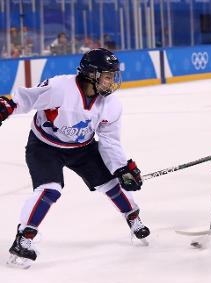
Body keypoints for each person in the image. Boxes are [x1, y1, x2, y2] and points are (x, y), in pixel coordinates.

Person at [0, 48, 150, 269]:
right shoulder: (60, 87)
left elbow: (109, 141)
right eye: (108, 76)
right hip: (45, 146)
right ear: (92, 74)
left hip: (83, 148)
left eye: (113, 76)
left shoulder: (112, 105)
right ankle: (24, 239)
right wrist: (9, 107)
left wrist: (121, 168)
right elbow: (28, 99)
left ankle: (132, 217)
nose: (112, 82)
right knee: (49, 190)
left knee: (111, 184)